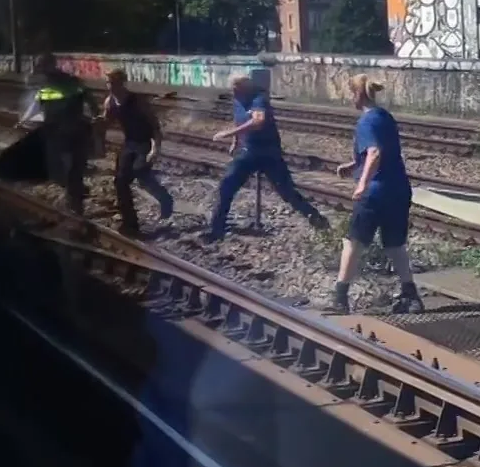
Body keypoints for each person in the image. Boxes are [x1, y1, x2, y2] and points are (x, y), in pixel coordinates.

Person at [330, 76, 423, 315]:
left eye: (350, 94)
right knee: (395, 244)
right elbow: (382, 151)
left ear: (358, 95)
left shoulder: (366, 121)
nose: (349, 98)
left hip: (375, 193)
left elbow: (375, 152)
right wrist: (354, 164)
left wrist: (362, 183)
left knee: (353, 241)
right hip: (398, 189)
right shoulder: (385, 116)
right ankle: (411, 296)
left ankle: (340, 299)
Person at [205, 74, 329, 241]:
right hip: (248, 152)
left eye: (237, 89)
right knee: (227, 185)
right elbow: (238, 120)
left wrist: (228, 134)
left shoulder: (259, 99)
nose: (234, 93)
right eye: (232, 89)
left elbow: (258, 121)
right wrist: (235, 142)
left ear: (245, 87)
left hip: (269, 153)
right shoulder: (237, 100)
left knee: (287, 192)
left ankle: (319, 222)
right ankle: (216, 230)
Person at [104, 69, 176, 238]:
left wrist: (155, 148)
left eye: (114, 82)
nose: (111, 86)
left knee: (141, 174)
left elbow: (154, 124)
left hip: (145, 142)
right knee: (120, 181)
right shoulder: (110, 102)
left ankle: (165, 199)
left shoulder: (137, 101)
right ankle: (130, 223)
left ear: (122, 83)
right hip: (129, 143)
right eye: (108, 82)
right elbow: (106, 122)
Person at [30, 53, 98, 217]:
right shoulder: (58, 82)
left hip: (65, 132)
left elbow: (88, 99)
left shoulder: (58, 83)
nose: (40, 71)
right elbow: (38, 104)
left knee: (69, 169)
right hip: (69, 131)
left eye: (41, 67)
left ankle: (74, 203)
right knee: (72, 169)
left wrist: (96, 116)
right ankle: (75, 200)